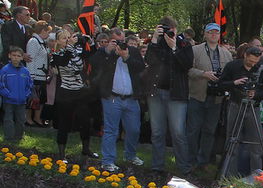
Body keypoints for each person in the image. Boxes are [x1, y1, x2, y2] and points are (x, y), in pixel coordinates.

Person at [144, 17, 194, 174]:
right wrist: (153, 39)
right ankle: (157, 166)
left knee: (178, 132)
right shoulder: (156, 43)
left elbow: (187, 65)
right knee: (157, 131)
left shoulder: (183, 43)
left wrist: (174, 48)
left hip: (177, 95)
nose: (167, 32)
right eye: (164, 28)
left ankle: (183, 167)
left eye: (170, 29)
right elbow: (149, 60)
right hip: (156, 92)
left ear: (176, 29)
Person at [94, 27, 146, 172]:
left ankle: (130, 155)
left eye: (123, 41)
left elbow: (141, 67)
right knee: (111, 130)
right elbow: (95, 64)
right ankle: (108, 161)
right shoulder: (105, 52)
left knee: (134, 129)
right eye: (117, 41)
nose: (120, 44)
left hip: (131, 98)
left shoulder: (132, 51)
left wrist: (126, 57)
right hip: (112, 98)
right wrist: (108, 52)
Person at [217, 46, 263, 176]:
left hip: (253, 107)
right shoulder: (232, 66)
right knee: (232, 141)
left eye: (255, 62)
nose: (252, 64)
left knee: (256, 144)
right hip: (236, 105)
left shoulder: (262, 69)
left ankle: (257, 177)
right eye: (250, 61)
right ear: (245, 55)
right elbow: (220, 84)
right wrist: (234, 83)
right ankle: (229, 176)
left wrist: (255, 94)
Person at [187, 23, 233, 170]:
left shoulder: (226, 53)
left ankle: (203, 162)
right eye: (210, 32)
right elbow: (187, 70)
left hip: (216, 98)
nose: (213, 35)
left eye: (216, 33)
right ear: (205, 34)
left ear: (219, 35)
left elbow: (229, 74)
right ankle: (190, 160)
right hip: (197, 95)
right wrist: (203, 74)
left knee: (209, 130)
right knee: (193, 129)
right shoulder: (195, 50)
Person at [50, 31, 96, 160]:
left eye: (69, 37)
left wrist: (88, 43)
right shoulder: (55, 55)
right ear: (58, 41)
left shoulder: (74, 51)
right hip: (66, 93)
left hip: (80, 92)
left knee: (85, 121)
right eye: (64, 38)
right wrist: (71, 49)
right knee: (64, 123)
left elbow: (82, 63)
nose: (67, 40)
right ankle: (62, 154)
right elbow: (65, 64)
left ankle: (86, 149)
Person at [0, 47, 33, 141]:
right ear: (9, 56)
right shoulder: (5, 70)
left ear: (22, 58)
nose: (16, 58)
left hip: (21, 101)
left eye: (18, 56)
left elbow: (29, 85)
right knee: (8, 120)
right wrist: (8, 94)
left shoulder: (25, 71)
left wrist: (25, 95)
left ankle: (19, 137)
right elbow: (1, 85)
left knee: (21, 120)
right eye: (13, 55)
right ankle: (9, 138)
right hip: (8, 101)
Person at [25, 20, 51, 127]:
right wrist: (31, 76)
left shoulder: (42, 42)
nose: (49, 34)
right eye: (48, 31)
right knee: (32, 99)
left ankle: (37, 118)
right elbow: (31, 60)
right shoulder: (33, 42)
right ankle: (28, 119)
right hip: (35, 76)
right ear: (43, 30)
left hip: (42, 76)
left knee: (40, 99)